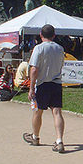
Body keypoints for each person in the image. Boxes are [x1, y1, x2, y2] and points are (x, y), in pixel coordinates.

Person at [23, 24, 66, 153]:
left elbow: (34, 69)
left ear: (41, 35)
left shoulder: (38, 48)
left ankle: (35, 137)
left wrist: (31, 87)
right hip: (56, 83)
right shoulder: (60, 49)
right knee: (57, 112)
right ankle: (59, 140)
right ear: (54, 35)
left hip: (42, 84)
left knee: (38, 111)